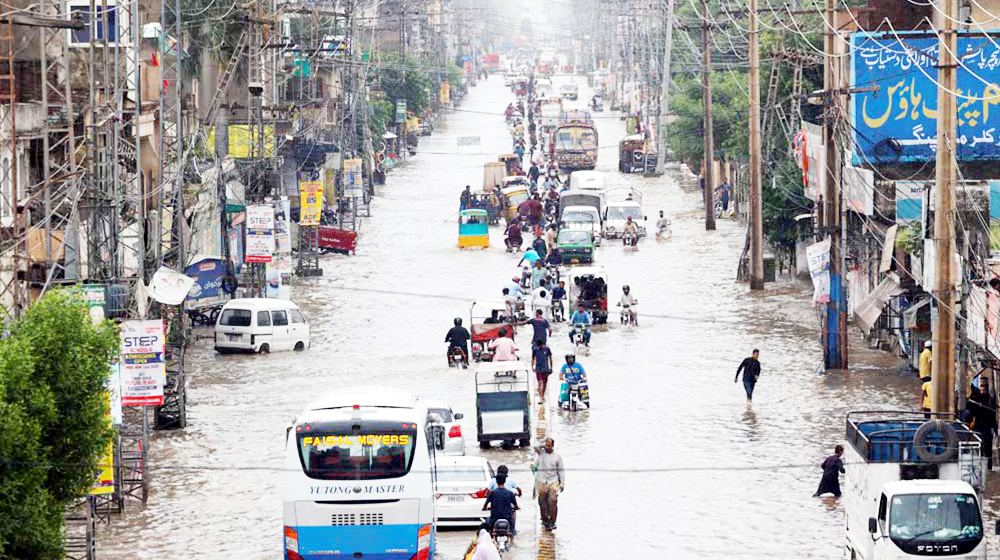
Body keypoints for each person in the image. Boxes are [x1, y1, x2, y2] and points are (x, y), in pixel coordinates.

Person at [533, 438, 565, 531]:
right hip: (542, 481)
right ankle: (545, 521)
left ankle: (553, 521)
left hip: (553, 481)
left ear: (553, 446)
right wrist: (543, 446)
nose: (547, 447)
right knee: (542, 502)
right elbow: (534, 446)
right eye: (546, 445)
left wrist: (562, 482)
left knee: (553, 501)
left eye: (549, 445)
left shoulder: (557, 457)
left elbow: (561, 471)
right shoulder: (541, 453)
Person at [969, 376, 998, 470]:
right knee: (979, 445)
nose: (983, 388)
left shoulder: (990, 399)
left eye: (984, 386)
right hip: (978, 426)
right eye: (981, 386)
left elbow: (993, 415)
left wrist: (994, 429)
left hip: (987, 427)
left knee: (987, 447)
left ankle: (988, 466)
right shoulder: (975, 398)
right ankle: (979, 466)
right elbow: (972, 410)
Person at [482, 474, 518, 543]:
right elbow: (515, 505)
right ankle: (512, 540)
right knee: (512, 526)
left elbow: (485, 504)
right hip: (507, 517)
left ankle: (491, 539)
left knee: (488, 525)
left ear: (496, 481)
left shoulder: (492, 493)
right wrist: (517, 508)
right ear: (505, 481)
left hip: (495, 518)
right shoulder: (510, 493)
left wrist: (484, 508)